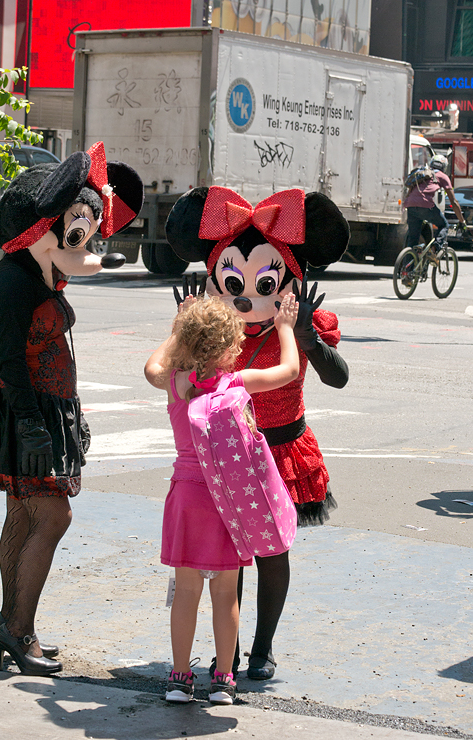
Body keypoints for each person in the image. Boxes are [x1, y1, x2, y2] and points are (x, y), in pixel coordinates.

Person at [0, 144, 143, 676]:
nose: (89, 247)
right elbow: (10, 359)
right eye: (76, 230)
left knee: (22, 514)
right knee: (54, 515)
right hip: (23, 413)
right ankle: (19, 630)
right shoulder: (15, 282)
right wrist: (30, 421)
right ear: (40, 229)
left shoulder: (39, 276)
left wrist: (70, 417)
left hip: (39, 412)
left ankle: (12, 624)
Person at [165, 185, 350, 681]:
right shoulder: (216, 330)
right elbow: (172, 375)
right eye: (230, 279)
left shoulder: (301, 323)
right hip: (227, 453)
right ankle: (229, 652)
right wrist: (187, 328)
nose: (245, 294)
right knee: (230, 559)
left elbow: (338, 376)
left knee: (272, 554)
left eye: (264, 280)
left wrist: (305, 333)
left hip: (282, 446)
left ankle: (261, 648)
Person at [144, 293, 299, 705]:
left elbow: (150, 367)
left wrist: (175, 329)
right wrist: (284, 327)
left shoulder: (176, 382)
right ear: (232, 347)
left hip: (186, 497)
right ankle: (225, 680)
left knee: (186, 590)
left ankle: (179, 678)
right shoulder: (236, 382)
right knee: (225, 593)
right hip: (226, 500)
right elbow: (289, 370)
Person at [404, 154, 467, 252]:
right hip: (426, 206)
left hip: (410, 205)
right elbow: (453, 202)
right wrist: (462, 221)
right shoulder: (442, 176)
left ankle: (407, 266)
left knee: (412, 241)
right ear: (444, 166)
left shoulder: (422, 172)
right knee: (444, 225)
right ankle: (433, 250)